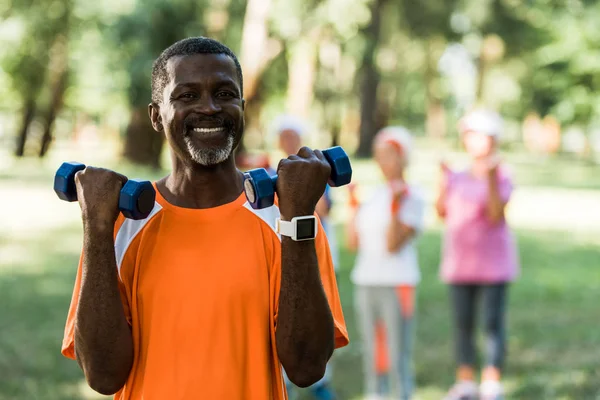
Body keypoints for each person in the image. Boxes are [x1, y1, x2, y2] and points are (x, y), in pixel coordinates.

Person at [60, 37, 349, 400]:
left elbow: (306, 368)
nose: (210, 108)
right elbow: (103, 376)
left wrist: (298, 222)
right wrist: (96, 229)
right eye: (187, 96)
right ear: (155, 115)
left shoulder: (289, 219)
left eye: (225, 93)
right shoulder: (119, 223)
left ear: (242, 108)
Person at [437, 108, 519, 400]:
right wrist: (442, 180)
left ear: (492, 138)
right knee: (463, 323)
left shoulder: (503, 174)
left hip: (493, 264)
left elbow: (496, 215)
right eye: (468, 134)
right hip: (460, 263)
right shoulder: (457, 175)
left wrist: (493, 180)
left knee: (491, 324)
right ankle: (466, 380)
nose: (472, 140)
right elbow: (442, 212)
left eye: (478, 134)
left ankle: (491, 381)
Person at [346, 127, 426, 400]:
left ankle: (400, 395)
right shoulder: (375, 195)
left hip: (397, 282)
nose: (383, 162)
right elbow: (353, 243)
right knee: (372, 350)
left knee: (396, 352)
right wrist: (353, 206)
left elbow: (393, 244)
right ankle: (375, 394)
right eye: (379, 155)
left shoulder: (413, 196)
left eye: (389, 155)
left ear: (403, 158)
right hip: (366, 280)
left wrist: (396, 206)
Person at [273, 115, 339, 400]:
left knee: (320, 316)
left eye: (293, 136)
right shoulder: (271, 173)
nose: (288, 141)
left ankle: (322, 381)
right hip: (282, 253)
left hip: (314, 252)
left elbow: (323, 210)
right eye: (284, 136)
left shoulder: (314, 172)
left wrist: (303, 190)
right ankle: (284, 383)